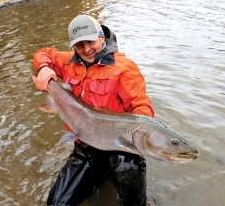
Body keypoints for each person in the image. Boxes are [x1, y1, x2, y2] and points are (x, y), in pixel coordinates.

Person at [32, 14, 155, 206]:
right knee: (56, 204)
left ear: (102, 36)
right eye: (80, 45)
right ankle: (100, 172)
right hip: (86, 145)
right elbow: (43, 53)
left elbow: (141, 106)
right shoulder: (68, 61)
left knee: (127, 171)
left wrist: (142, 137)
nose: (87, 49)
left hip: (119, 146)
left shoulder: (124, 68)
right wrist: (43, 69)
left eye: (90, 42)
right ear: (74, 46)